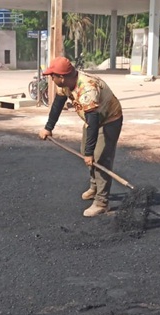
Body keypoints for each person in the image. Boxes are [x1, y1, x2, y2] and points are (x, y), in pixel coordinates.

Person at [38, 56, 123, 217]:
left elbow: (94, 121)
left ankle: (101, 202)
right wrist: (48, 128)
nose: (51, 78)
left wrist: (91, 153)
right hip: (92, 119)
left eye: (52, 76)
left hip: (109, 119)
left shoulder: (87, 89)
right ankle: (95, 186)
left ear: (61, 77)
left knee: (99, 159)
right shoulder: (65, 85)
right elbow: (57, 105)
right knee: (85, 151)